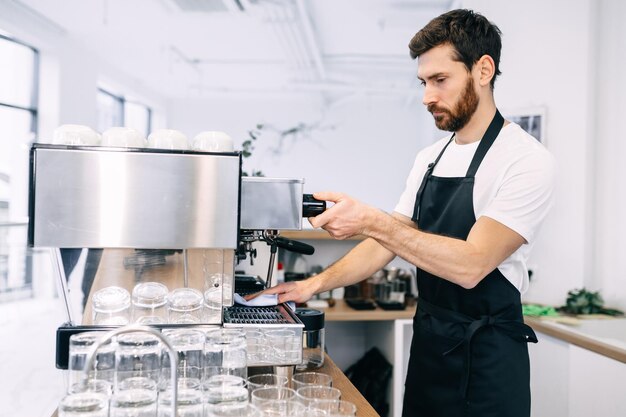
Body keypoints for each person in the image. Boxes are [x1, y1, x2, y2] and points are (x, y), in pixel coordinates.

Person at [249, 8, 555, 417]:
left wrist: (373, 220)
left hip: (488, 360)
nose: (427, 96)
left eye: (440, 80)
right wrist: (310, 286)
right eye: (424, 82)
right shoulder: (430, 158)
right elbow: (386, 243)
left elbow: (471, 265)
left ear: (484, 70)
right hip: (430, 348)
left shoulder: (525, 160)